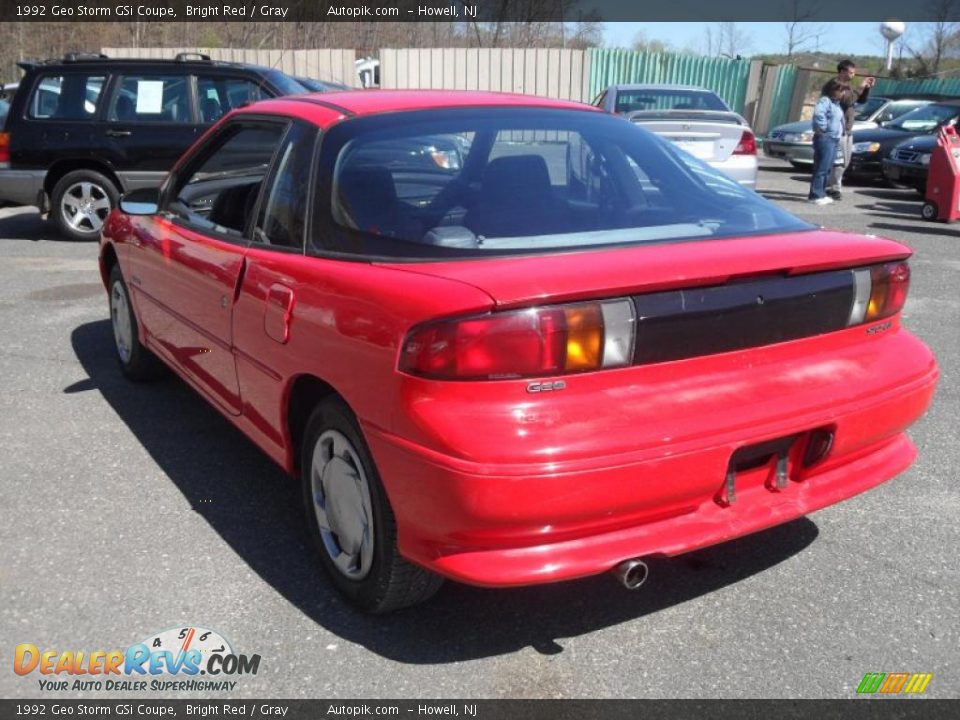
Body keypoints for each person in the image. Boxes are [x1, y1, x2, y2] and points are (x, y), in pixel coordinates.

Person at [825, 59, 876, 199]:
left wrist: (867, 88)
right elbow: (848, 100)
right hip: (837, 129)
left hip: (847, 129)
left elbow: (860, 100)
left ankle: (830, 185)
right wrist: (861, 86)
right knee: (838, 161)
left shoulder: (847, 86)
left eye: (854, 73)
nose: (852, 75)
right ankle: (833, 188)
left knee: (845, 162)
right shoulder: (835, 85)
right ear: (842, 71)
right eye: (850, 72)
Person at [809, 80, 845, 205]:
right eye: (840, 90)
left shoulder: (836, 104)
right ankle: (816, 195)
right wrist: (824, 128)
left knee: (827, 168)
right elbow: (819, 114)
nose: (842, 93)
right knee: (822, 168)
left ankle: (821, 193)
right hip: (826, 138)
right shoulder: (825, 101)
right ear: (832, 90)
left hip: (834, 139)